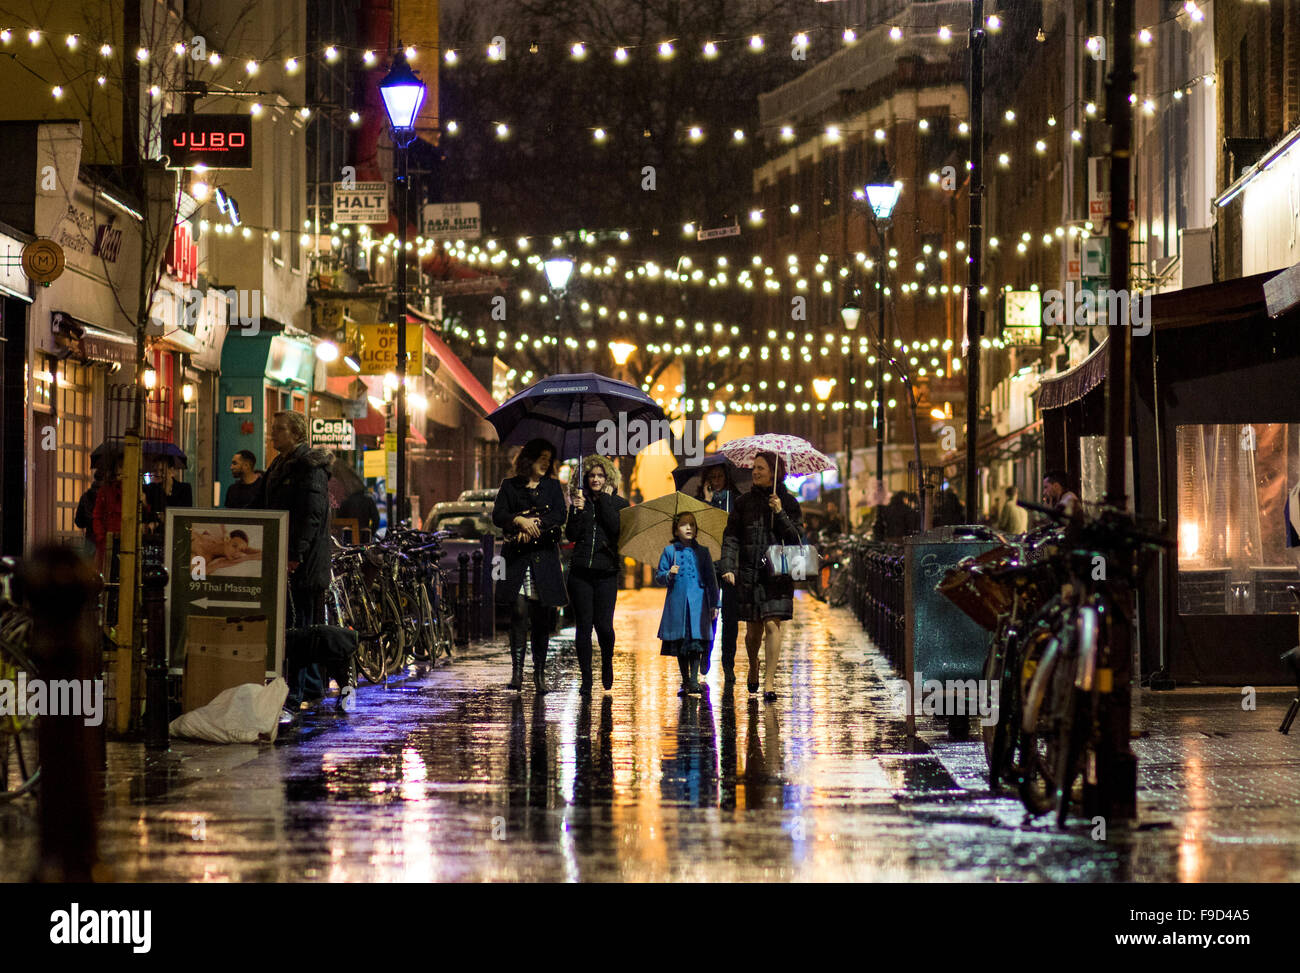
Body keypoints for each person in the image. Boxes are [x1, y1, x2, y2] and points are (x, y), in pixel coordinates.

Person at [255, 411, 336, 712]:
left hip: (304, 560)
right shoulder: (281, 464)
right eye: (272, 428)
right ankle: (311, 686)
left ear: (295, 433)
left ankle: (297, 691)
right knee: (301, 622)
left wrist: (295, 555)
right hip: (287, 553)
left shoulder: (308, 467)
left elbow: (310, 515)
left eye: (278, 429)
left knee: (299, 624)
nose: (272, 434)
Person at [719, 451, 803, 702]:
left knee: (772, 625)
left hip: (777, 575)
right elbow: (731, 537)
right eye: (754, 468)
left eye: (761, 468)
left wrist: (779, 512)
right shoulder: (743, 503)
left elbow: (796, 539)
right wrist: (728, 566)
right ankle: (754, 662)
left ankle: (769, 681)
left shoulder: (789, 503)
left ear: (775, 473)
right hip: (750, 574)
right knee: (753, 632)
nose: (755, 472)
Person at [492, 438, 568, 694]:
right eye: (542, 458)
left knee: (541, 619)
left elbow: (559, 516)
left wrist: (534, 526)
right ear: (529, 459)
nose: (546, 463)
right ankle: (516, 673)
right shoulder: (510, 486)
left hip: (543, 561)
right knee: (519, 613)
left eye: (549, 459)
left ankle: (538, 675)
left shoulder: (553, 487)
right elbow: (498, 516)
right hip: (517, 561)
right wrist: (518, 521)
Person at [565, 454, 629, 694]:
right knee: (583, 627)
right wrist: (578, 511)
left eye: (600, 475)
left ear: (608, 478)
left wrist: (603, 501)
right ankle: (586, 679)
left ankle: (607, 663)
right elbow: (571, 535)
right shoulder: (579, 502)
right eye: (591, 475)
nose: (595, 479)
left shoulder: (618, 504)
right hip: (580, 572)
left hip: (606, 572)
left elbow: (615, 530)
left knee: (604, 626)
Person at [656, 511, 719, 697]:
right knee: (681, 643)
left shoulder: (703, 552)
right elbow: (659, 576)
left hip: (699, 605)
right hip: (678, 605)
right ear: (676, 530)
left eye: (692, 524)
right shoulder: (670, 552)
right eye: (684, 524)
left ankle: (693, 679)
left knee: (697, 642)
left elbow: (711, 579)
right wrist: (669, 574)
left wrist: (715, 603)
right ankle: (685, 679)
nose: (689, 528)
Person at [697, 463, 741, 685]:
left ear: (726, 478)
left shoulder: (737, 500)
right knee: (710, 613)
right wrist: (707, 501)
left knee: (730, 617)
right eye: (712, 476)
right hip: (710, 563)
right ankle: (706, 654)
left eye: (719, 476)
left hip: (732, 564)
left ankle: (728, 664)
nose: (716, 480)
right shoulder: (701, 501)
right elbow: (699, 529)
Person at [144, 457, 193, 529]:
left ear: (171, 470)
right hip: (157, 532)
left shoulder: (184, 488)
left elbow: (185, 512)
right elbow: (150, 515)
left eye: (161, 470)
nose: (158, 474)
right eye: (155, 470)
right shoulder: (151, 488)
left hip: (177, 529)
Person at [75, 468, 105, 550]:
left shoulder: (85, 496)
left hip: (90, 539)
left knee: (90, 561)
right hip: (105, 539)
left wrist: (89, 521)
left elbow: (79, 522)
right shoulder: (108, 496)